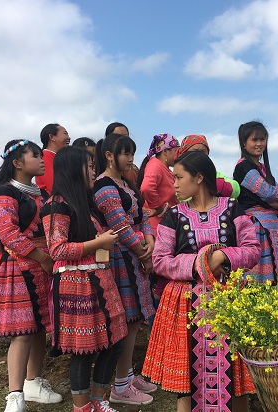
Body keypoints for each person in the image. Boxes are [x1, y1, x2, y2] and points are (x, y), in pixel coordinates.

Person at [142, 151, 261, 412]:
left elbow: (253, 249)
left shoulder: (232, 208)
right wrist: (200, 263)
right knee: (188, 380)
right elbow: (161, 260)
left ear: (198, 178)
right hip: (186, 304)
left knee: (235, 379)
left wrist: (222, 255)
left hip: (229, 303)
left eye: (179, 177)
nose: (174, 184)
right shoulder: (174, 215)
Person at [42, 146, 127, 412]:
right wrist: (98, 241)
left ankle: (98, 399)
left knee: (115, 340)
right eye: (89, 165)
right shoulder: (57, 204)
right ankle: (82, 407)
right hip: (75, 286)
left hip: (100, 281)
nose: (93, 170)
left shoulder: (86, 205)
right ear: (72, 169)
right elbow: (57, 249)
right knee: (84, 349)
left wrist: (102, 240)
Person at [0, 139, 62, 412]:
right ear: (17, 163)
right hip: (20, 267)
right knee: (22, 331)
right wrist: (42, 257)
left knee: (41, 327)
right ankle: (15, 395)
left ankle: (33, 382)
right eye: (35, 155)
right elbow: (8, 234)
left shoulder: (38, 194)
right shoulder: (3, 194)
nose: (42, 160)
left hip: (42, 267)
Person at [93, 133, 156, 406]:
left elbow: (141, 219)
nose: (131, 158)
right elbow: (119, 226)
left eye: (132, 153)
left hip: (132, 255)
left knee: (134, 320)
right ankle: (120, 385)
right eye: (125, 153)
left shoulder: (125, 184)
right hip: (119, 258)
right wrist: (143, 250)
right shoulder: (105, 187)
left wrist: (149, 240)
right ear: (109, 156)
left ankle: (127, 375)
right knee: (127, 320)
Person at [233, 120, 278, 283]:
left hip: (271, 226)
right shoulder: (243, 167)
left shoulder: (263, 168)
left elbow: (277, 199)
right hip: (256, 226)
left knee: (275, 276)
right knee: (258, 276)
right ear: (244, 143)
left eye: (262, 139)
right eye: (254, 140)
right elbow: (268, 192)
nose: (259, 144)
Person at [137, 133, 180, 234]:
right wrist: (158, 208)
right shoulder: (155, 166)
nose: (179, 155)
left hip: (163, 225)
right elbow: (146, 187)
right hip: (156, 228)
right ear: (165, 151)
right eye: (176, 151)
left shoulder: (164, 168)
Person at [174, 134, 240, 198]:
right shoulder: (177, 176)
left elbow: (236, 189)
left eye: (203, 151)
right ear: (184, 155)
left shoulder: (214, 174)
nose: (199, 155)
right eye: (194, 152)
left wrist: (214, 184)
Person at [35, 123, 70, 193]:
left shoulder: (58, 157)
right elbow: (56, 187)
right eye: (65, 134)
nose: (69, 138)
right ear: (52, 137)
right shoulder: (45, 157)